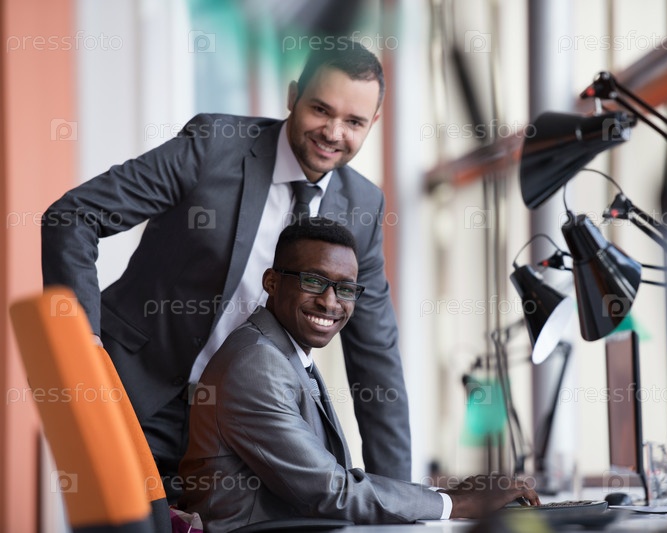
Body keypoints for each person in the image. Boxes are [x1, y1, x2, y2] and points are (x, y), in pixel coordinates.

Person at [41, 41, 410, 501]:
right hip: (135, 395)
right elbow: (74, 215)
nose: (333, 132)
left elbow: (376, 358)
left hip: (243, 430)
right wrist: (80, 345)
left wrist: (402, 501)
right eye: (320, 109)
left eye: (353, 122)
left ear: (373, 122)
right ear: (293, 96)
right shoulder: (214, 145)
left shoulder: (363, 206)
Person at [178, 219, 539, 531]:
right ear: (272, 282)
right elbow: (331, 491)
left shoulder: (281, 352)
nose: (330, 301)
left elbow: (333, 485)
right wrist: (457, 504)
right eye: (313, 281)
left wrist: (447, 495)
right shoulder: (257, 364)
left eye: (345, 288)